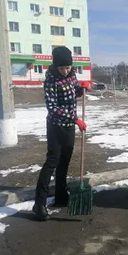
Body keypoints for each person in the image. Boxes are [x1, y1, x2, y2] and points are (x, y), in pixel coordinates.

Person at [32, 46, 91, 221]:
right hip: (56, 126)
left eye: (68, 67)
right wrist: (75, 119)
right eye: (62, 68)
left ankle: (60, 195)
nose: (65, 71)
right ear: (55, 66)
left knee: (65, 161)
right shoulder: (50, 80)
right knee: (53, 161)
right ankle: (39, 203)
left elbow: (73, 93)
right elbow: (53, 108)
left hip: (69, 127)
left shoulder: (72, 75)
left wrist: (82, 89)